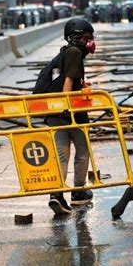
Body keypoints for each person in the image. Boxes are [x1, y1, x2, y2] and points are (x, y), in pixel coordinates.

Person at [46, 18, 96, 215]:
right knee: (83, 152)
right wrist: (68, 105)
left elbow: (64, 79)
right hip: (71, 113)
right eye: (88, 38)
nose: (90, 42)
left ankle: (56, 195)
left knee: (61, 155)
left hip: (55, 112)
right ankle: (78, 193)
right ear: (81, 37)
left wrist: (81, 86)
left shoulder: (65, 51)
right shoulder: (75, 53)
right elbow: (67, 81)